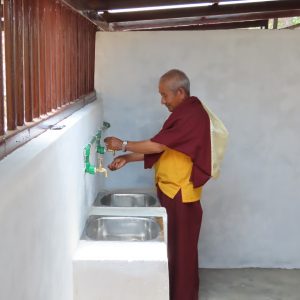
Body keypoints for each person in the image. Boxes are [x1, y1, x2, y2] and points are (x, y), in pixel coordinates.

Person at [104, 69, 212, 300]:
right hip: (171, 190)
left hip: (181, 193)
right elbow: (165, 148)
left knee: (182, 251)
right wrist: (128, 158)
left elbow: (157, 147)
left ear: (180, 92)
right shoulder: (184, 113)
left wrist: (123, 144)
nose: (162, 101)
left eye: (165, 95)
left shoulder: (192, 115)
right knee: (174, 248)